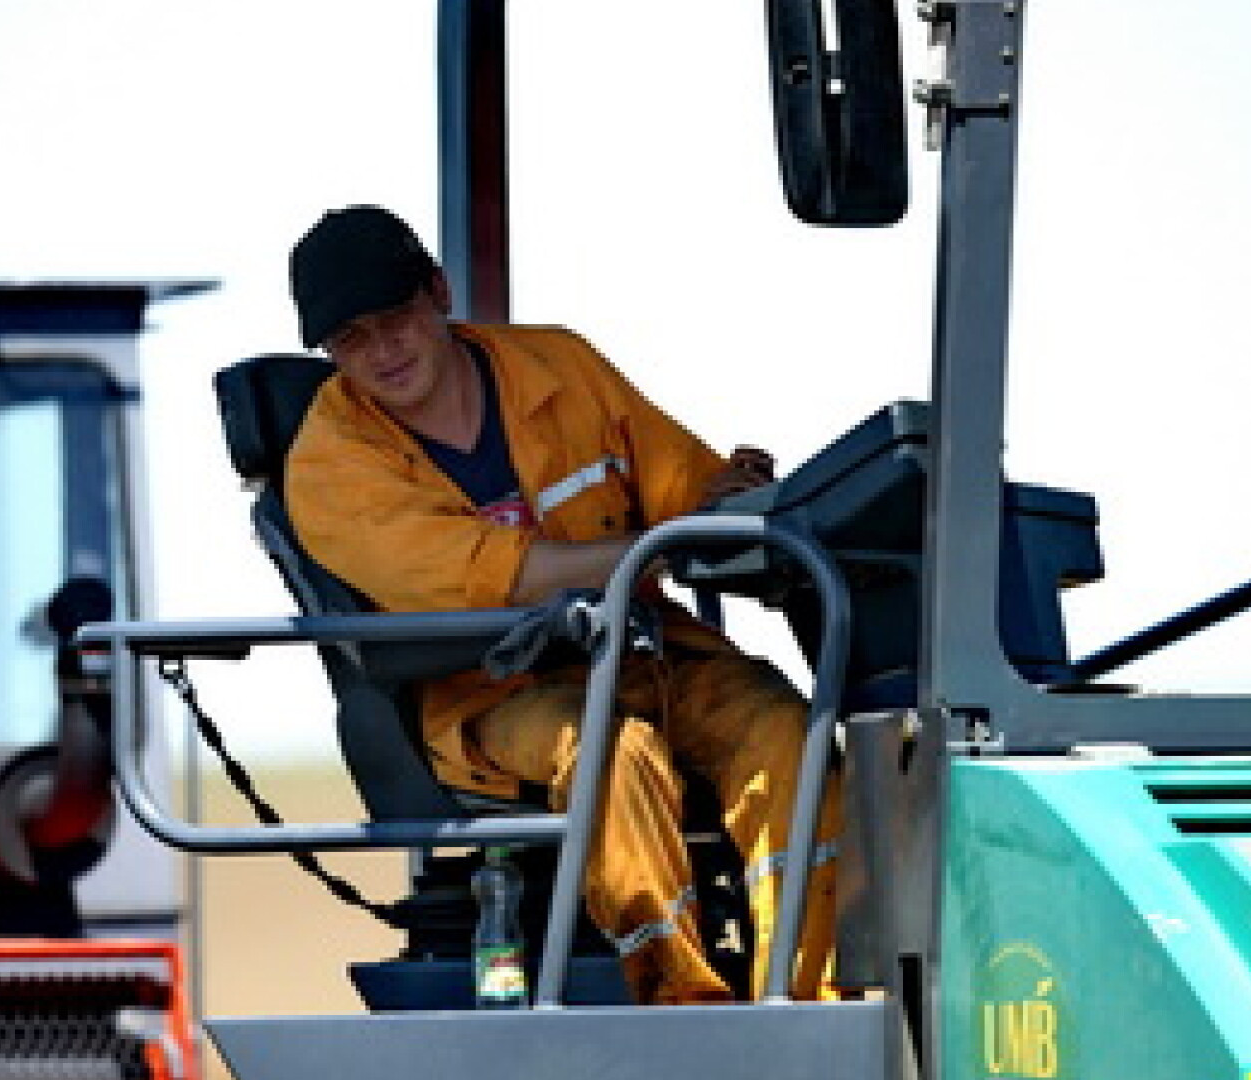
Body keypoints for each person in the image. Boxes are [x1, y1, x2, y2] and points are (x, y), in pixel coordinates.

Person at [283, 204, 839, 1005]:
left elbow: (680, 480)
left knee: (787, 730)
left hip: (651, 652)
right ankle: (683, 1004)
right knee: (612, 752)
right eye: (351, 340)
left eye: (395, 318)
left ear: (437, 292)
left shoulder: (559, 367)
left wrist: (725, 498)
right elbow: (494, 576)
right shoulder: (329, 467)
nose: (382, 352)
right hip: (494, 692)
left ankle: (806, 1010)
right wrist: (654, 548)